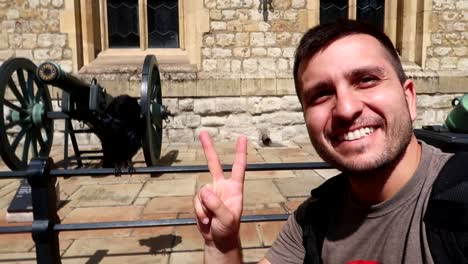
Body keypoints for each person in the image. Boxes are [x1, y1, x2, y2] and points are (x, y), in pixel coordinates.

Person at [193, 19, 456, 263]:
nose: (345, 108)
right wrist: (222, 245)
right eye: (321, 94)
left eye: (366, 80)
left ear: (409, 98)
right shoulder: (310, 222)